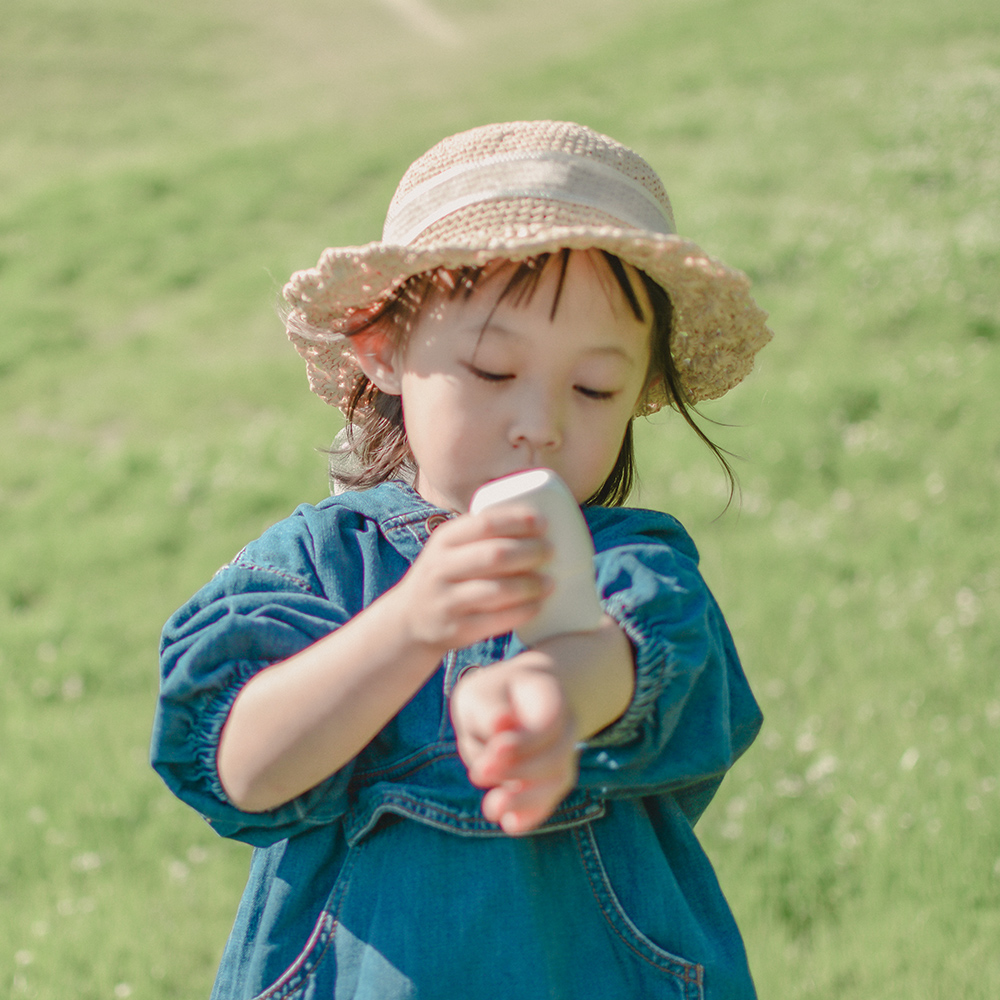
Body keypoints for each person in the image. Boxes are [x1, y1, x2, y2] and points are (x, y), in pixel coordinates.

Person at [152, 120, 772, 999]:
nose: (542, 422)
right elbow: (243, 770)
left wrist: (551, 696)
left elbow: (637, 657)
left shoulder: (634, 562)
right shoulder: (317, 564)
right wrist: (408, 625)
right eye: (491, 368)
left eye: (594, 388)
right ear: (386, 351)